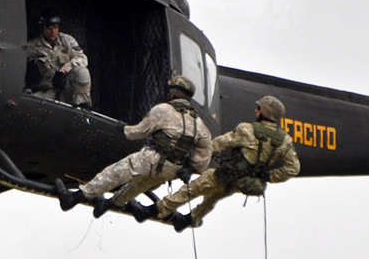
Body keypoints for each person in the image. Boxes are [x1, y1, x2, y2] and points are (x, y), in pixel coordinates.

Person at [56, 76, 211, 218]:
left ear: (173, 93)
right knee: (136, 187)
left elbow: (139, 132)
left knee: (113, 174)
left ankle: (72, 199)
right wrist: (190, 168)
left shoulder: (164, 110)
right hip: (171, 170)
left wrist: (123, 129)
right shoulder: (198, 122)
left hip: (152, 159)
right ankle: (107, 204)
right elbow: (205, 152)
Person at [153, 95, 300, 230]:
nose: (256, 110)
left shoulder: (247, 129)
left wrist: (193, 161)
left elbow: (217, 145)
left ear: (264, 112)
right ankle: (193, 218)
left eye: (259, 108)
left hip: (229, 174)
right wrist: (269, 176)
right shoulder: (284, 140)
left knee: (193, 188)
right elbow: (293, 168)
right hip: (248, 183)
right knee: (214, 196)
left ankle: (160, 209)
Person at [25, 12, 92, 107]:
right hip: (48, 88)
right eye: (49, 28)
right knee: (32, 106)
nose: (52, 31)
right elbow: (19, 63)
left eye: (55, 27)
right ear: (42, 27)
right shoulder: (33, 46)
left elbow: (82, 58)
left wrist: (64, 70)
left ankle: (82, 105)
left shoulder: (67, 40)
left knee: (82, 72)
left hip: (68, 86)